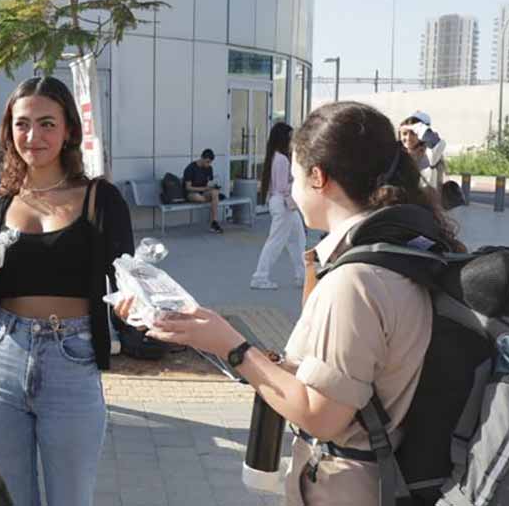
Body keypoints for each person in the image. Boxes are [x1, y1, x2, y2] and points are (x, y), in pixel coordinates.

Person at [139, 101, 464, 506]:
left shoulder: (355, 281)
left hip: (349, 488)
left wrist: (231, 346)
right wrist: (224, 341)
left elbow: (321, 415)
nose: (291, 190)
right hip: (395, 475)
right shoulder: (407, 249)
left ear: (317, 177)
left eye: (294, 176)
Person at [0, 76, 134, 506]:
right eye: (22, 124)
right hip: (0, 357)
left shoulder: (101, 198)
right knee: (8, 499)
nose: (33, 136)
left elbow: (129, 279)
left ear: (69, 130)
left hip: (72, 359)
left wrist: (136, 308)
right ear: (8, 131)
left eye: (47, 124)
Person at [250, 122, 307, 290]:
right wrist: (298, 182)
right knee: (277, 242)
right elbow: (283, 188)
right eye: (290, 137)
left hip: (282, 204)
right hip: (284, 204)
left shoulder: (274, 157)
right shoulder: (281, 159)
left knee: (298, 240)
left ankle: (302, 275)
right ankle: (260, 277)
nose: (292, 141)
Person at [399, 111, 446, 191]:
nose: (408, 138)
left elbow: (436, 142)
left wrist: (412, 126)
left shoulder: (430, 153)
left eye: (413, 133)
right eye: (404, 133)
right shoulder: (397, 153)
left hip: (425, 197)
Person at [183, 148, 223, 234]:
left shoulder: (209, 168)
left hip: (204, 193)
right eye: (207, 162)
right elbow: (188, 187)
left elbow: (209, 183)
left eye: (210, 162)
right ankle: (214, 200)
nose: (208, 164)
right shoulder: (190, 168)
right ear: (202, 158)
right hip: (191, 193)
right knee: (200, 197)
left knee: (215, 192)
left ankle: (214, 222)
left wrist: (214, 186)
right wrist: (204, 189)